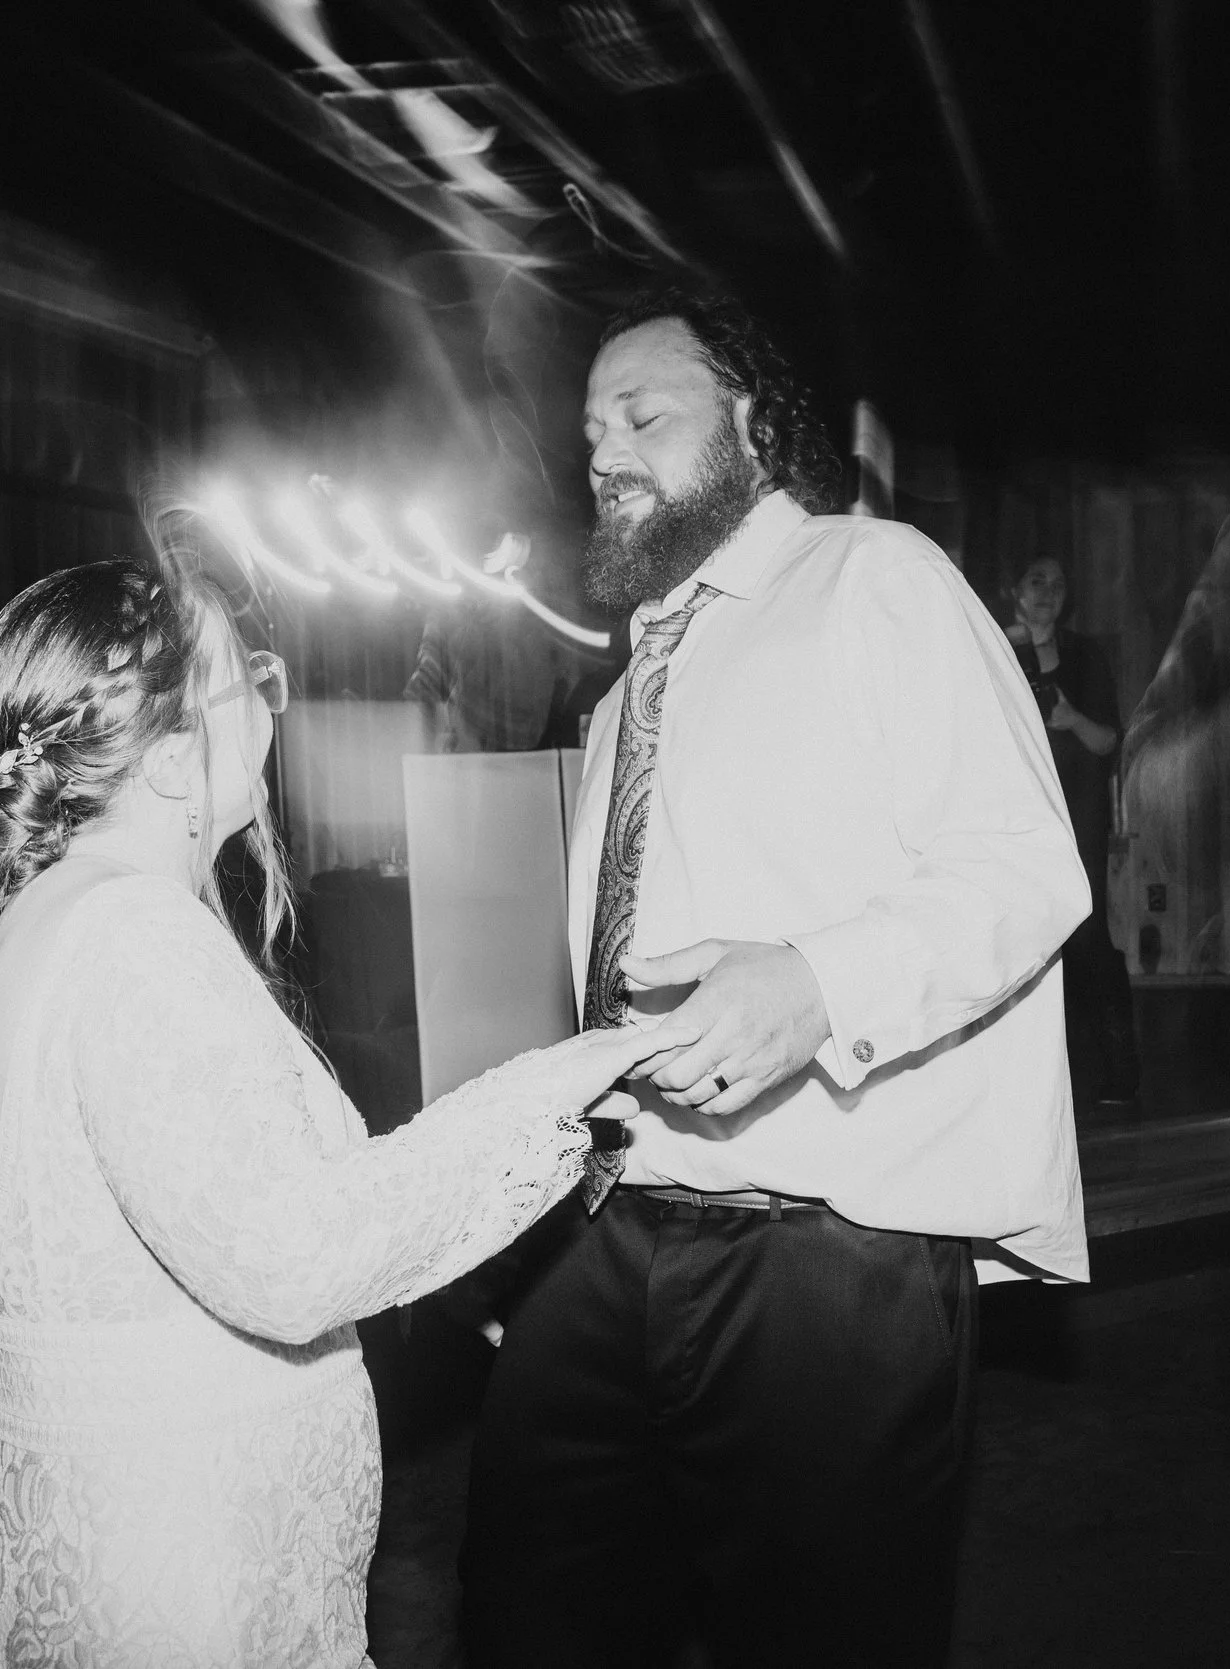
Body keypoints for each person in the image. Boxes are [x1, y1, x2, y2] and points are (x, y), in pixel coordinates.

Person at [0, 559, 687, 1666]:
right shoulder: (134, 936)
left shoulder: (36, 915)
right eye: (247, 684)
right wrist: (562, 1088)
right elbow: (295, 1257)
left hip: (96, 1528)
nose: (273, 711)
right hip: (173, 1577)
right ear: (173, 760)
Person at [459, 289, 1091, 1669]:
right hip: (613, 1230)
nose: (604, 450)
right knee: (526, 1618)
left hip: (829, 1262)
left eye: (643, 413)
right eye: (588, 429)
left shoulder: (879, 579)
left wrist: (815, 984)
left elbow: (1026, 867)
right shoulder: (627, 688)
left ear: (751, 425)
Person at [998, 553, 1138, 1103]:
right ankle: (1026, 1085)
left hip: (1077, 819)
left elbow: (1109, 740)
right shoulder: (995, 648)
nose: (1048, 591)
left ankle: (1114, 1078)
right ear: (1015, 589)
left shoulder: (1086, 655)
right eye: (1037, 580)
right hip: (1013, 821)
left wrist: (1070, 719)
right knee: (1018, 937)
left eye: (1058, 583)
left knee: (1087, 935)